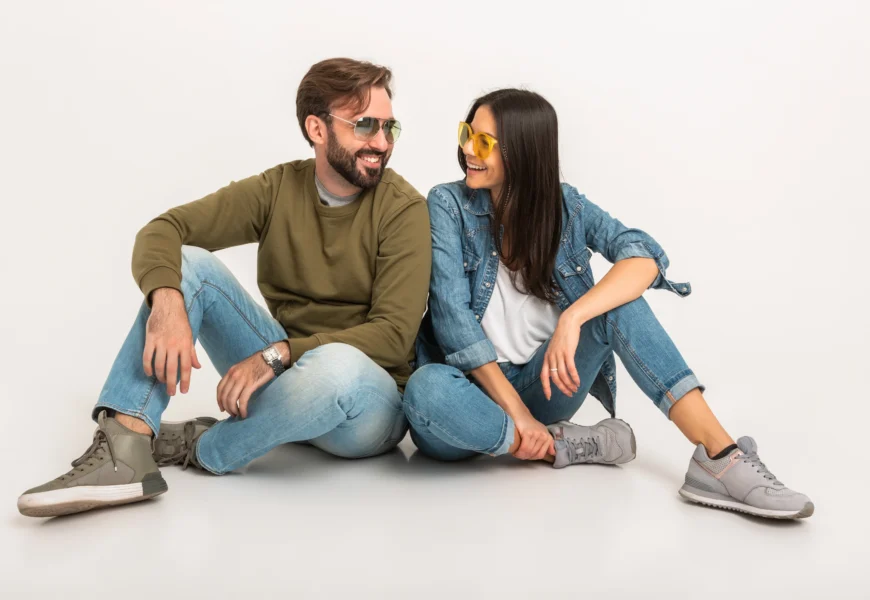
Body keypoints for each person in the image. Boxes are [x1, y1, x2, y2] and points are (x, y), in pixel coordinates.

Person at [18, 58, 431, 518]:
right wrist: (167, 300)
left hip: (366, 406)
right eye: (366, 125)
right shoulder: (278, 189)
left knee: (336, 368)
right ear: (317, 128)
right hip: (284, 379)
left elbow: (393, 336)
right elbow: (164, 230)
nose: (381, 142)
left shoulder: (404, 210)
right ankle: (126, 448)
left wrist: (281, 354)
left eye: (390, 127)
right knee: (188, 265)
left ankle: (206, 446)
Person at [404, 88, 813, 520]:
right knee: (425, 389)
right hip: (464, 397)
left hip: (543, 384)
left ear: (523, 152)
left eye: (485, 142)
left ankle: (720, 456)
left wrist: (574, 318)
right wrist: (519, 416)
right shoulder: (448, 204)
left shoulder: (567, 206)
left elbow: (643, 256)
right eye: (468, 133)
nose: (468, 149)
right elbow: (453, 323)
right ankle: (556, 444)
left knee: (618, 304)